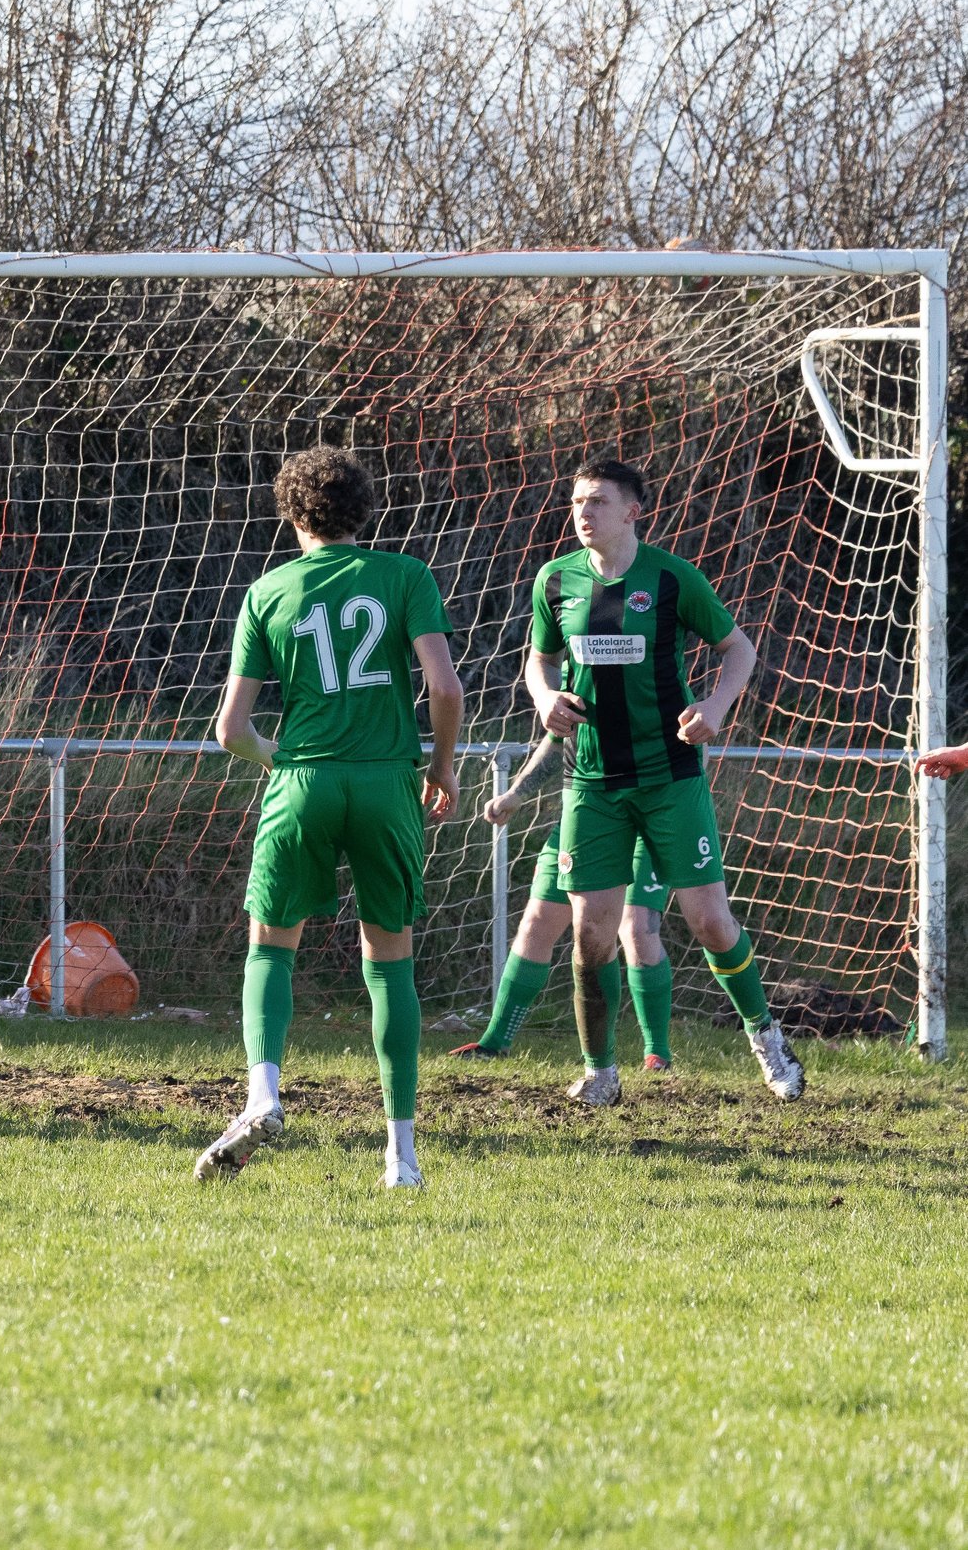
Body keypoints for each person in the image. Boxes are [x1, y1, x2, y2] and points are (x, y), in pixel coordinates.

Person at [196, 445, 462, 1191]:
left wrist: (282, 759)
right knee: (390, 962)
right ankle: (401, 1155)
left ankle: (262, 1095)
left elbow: (230, 731)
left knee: (270, 947)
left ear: (291, 514)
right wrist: (439, 767)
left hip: (303, 778)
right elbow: (444, 688)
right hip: (385, 782)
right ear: (363, 512)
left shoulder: (268, 590)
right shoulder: (405, 575)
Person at [524, 456, 803, 1107]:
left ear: (633, 510)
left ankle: (768, 1039)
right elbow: (539, 659)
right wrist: (543, 698)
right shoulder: (555, 580)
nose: (584, 513)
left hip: (670, 777)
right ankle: (600, 1071)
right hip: (591, 782)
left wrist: (715, 706)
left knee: (708, 921)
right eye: (577, 503)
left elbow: (740, 650)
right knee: (593, 931)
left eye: (597, 501)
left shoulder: (673, 579)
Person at [453, 730, 676, 1068]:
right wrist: (517, 793)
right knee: (537, 922)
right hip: (584, 816)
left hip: (648, 817)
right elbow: (559, 737)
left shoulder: (661, 682)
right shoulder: (581, 682)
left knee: (636, 928)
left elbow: (694, 750)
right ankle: (495, 1042)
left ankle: (658, 1054)